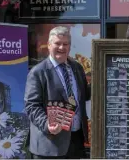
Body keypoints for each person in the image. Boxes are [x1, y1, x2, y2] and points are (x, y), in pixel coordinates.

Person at [24, 26, 90, 159]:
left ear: (70, 46)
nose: (62, 47)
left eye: (65, 44)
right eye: (57, 43)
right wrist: (47, 123)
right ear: (49, 45)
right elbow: (31, 106)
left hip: (76, 140)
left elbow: (84, 95)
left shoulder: (77, 67)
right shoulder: (38, 72)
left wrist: (105, 80)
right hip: (50, 144)